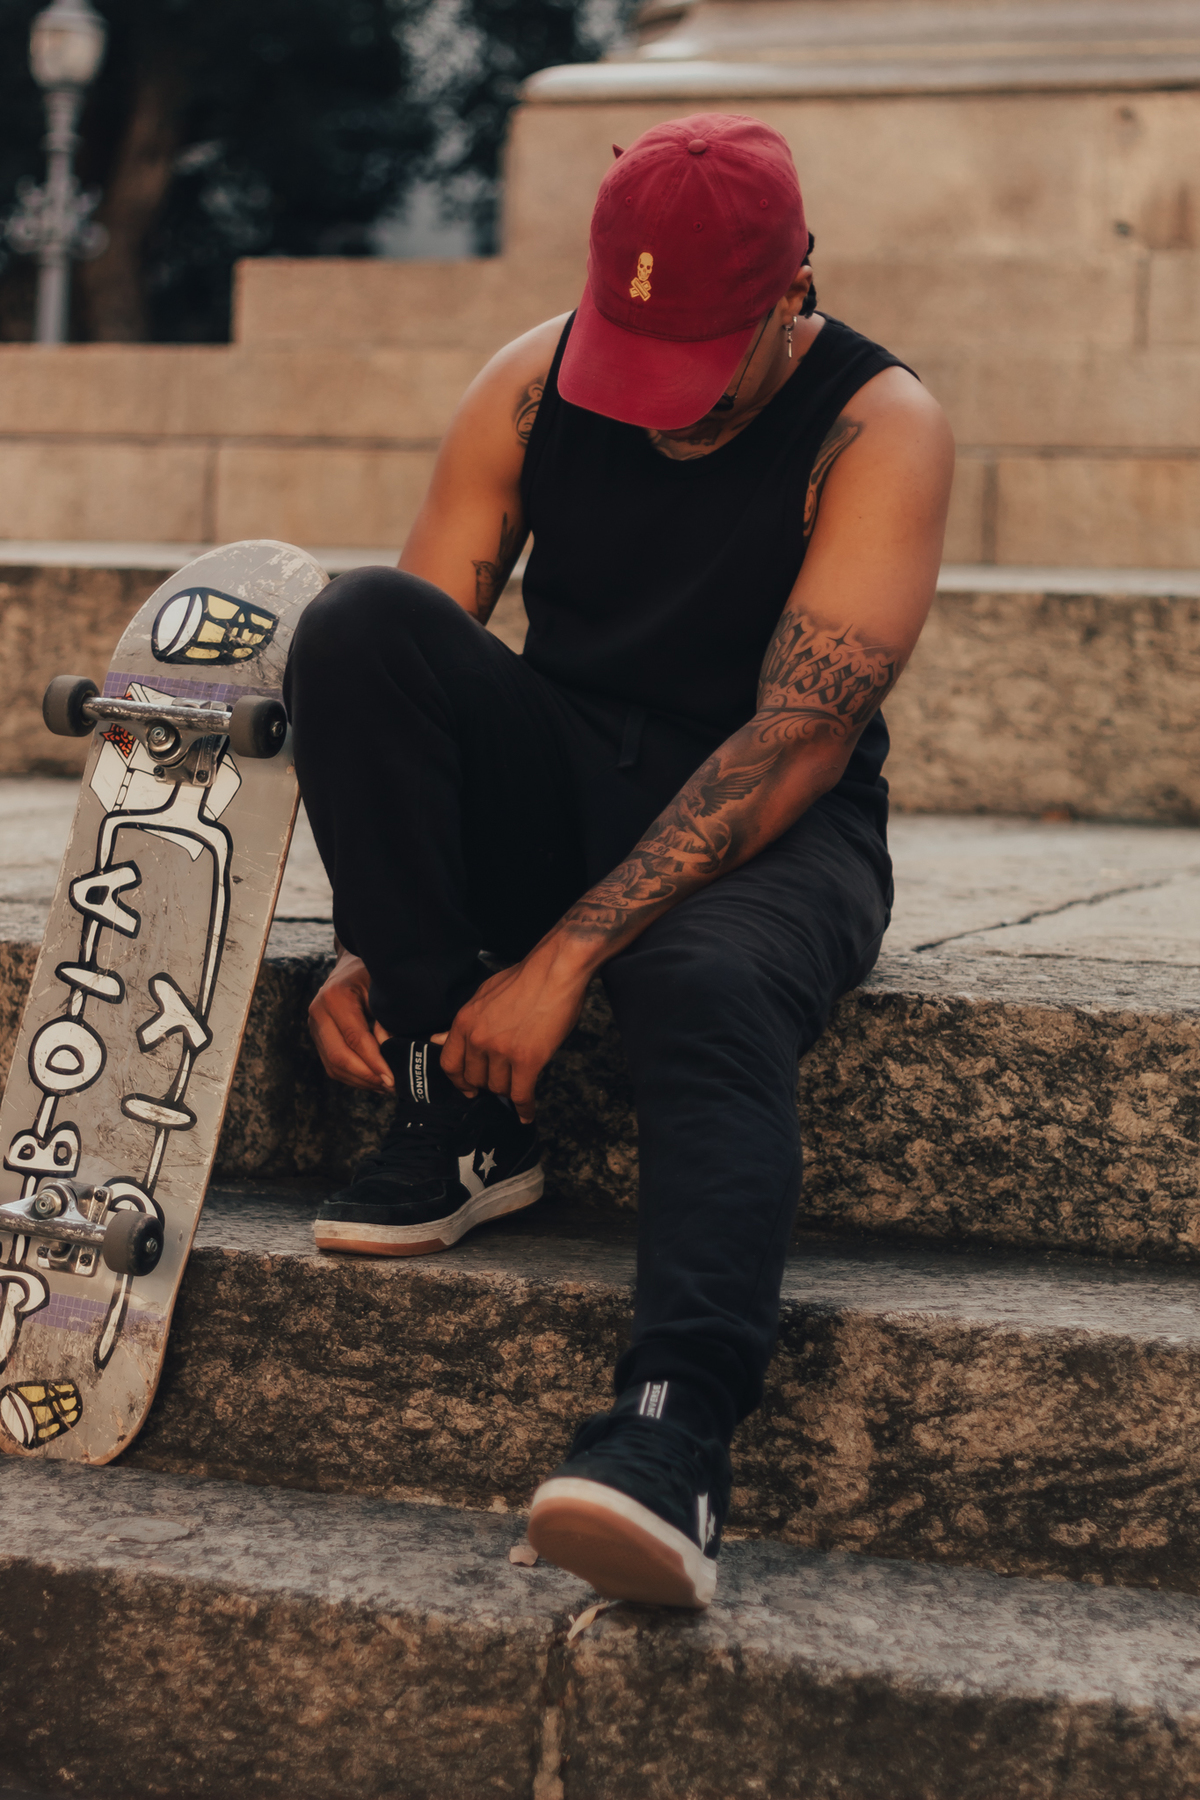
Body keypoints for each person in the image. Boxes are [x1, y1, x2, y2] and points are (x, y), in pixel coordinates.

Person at [284, 112, 954, 1610]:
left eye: (694, 364)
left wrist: (564, 960)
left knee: (700, 986)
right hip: (566, 776)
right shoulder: (529, 383)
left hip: (777, 830)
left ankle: (671, 1438)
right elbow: (410, 688)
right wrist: (383, 941)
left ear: (795, 294)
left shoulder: (880, 423)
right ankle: (459, 1113)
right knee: (357, 622)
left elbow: (797, 741)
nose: (658, 408)